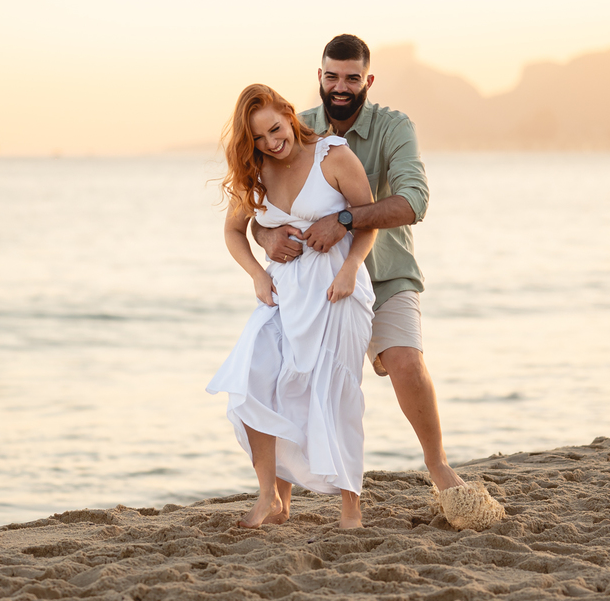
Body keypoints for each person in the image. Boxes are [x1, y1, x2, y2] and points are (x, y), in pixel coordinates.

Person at [251, 34, 505, 530]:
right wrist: (265, 236)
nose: (340, 87)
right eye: (331, 76)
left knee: (405, 362)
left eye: (352, 78)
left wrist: (345, 221)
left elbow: (414, 202)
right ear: (320, 76)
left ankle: (439, 467)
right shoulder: (294, 127)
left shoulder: (394, 127)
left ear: (367, 80)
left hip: (384, 274)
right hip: (313, 285)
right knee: (287, 379)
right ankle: (281, 497)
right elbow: (260, 206)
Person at [207, 84, 378, 529]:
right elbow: (233, 231)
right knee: (254, 379)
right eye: (258, 138)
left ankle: (351, 508)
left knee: (336, 393)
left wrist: (351, 268)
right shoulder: (255, 170)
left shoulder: (332, 156)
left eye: (275, 129)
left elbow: (368, 218)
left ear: (288, 113)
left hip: (337, 290)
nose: (270, 142)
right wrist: (257, 274)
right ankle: (271, 499)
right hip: (282, 293)